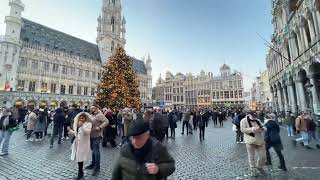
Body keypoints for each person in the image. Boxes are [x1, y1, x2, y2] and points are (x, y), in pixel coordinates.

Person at [111, 120, 175, 180]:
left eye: (139, 138)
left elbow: (171, 165)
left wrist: (158, 169)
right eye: (133, 137)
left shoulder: (158, 148)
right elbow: (116, 175)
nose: (134, 141)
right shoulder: (125, 150)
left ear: (147, 135)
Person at [240, 111, 266, 177]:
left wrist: (262, 129)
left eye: (255, 116)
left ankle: (259, 166)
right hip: (250, 141)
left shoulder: (257, 120)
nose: (254, 118)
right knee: (251, 156)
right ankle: (253, 170)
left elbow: (264, 127)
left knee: (263, 156)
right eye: (253, 116)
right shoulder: (243, 121)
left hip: (259, 140)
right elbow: (243, 130)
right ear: (249, 115)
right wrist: (253, 129)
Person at [85, 105, 109, 176]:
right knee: (93, 151)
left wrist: (100, 127)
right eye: (91, 108)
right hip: (90, 135)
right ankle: (93, 164)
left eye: (92, 108)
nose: (91, 109)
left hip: (96, 136)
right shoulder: (90, 115)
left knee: (96, 151)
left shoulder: (100, 115)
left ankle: (97, 167)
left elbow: (107, 121)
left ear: (96, 109)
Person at [68, 112, 92, 180]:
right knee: (79, 159)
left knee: (80, 159)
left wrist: (82, 126)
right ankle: (80, 172)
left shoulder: (88, 124)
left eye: (83, 118)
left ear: (85, 118)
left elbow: (88, 132)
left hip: (83, 144)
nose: (81, 119)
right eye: (80, 118)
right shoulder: (77, 124)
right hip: (77, 143)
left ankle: (80, 173)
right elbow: (76, 133)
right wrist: (71, 131)